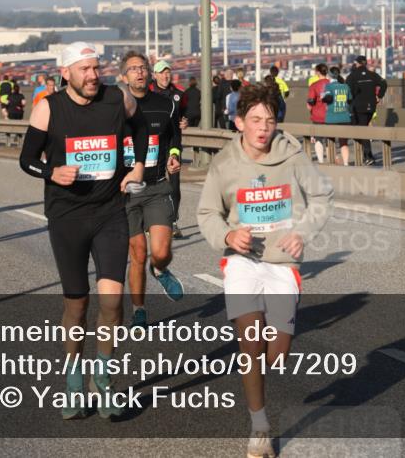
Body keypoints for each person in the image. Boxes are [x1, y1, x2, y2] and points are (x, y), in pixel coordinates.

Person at [197, 84, 333, 458]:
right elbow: (207, 213)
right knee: (250, 339)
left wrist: (301, 233)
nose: (262, 128)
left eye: (269, 121)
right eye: (255, 120)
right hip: (241, 261)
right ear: (239, 122)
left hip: (282, 263)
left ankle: (259, 376)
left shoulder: (292, 156)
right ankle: (260, 428)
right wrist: (227, 234)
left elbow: (321, 195)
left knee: (278, 351)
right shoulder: (224, 163)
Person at [18, 42, 147, 420]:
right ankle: (74, 376)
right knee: (77, 304)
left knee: (112, 303)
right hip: (67, 217)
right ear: (66, 73)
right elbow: (26, 159)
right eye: (85, 70)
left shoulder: (116, 99)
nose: (93, 76)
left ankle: (102, 379)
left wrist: (137, 166)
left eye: (96, 68)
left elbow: (142, 128)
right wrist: (50, 172)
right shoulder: (49, 107)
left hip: (110, 212)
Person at [119, 51, 184, 330]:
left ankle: (159, 269)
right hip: (126, 192)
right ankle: (139, 309)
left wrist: (173, 153)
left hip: (157, 186)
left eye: (143, 67)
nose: (140, 72)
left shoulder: (166, 104)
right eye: (133, 69)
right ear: (124, 76)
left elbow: (174, 135)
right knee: (137, 253)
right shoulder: (115, 107)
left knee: (161, 251)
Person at [150, 61, 187, 239]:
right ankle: (151, 220)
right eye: (161, 73)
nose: (165, 76)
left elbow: (186, 115)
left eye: (168, 73)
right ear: (155, 75)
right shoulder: (148, 93)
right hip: (153, 144)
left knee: (174, 183)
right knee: (151, 181)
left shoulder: (179, 94)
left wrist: (186, 121)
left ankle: (172, 221)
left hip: (173, 143)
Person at [345, 55, 387, 166]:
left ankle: (368, 156)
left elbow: (348, 91)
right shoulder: (372, 75)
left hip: (358, 107)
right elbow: (384, 83)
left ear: (357, 63)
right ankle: (365, 155)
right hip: (371, 106)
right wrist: (379, 96)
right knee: (363, 127)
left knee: (361, 129)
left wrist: (350, 101)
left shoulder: (352, 76)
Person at [322, 64, 352, 166]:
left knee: (330, 142)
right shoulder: (346, 86)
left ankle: (333, 160)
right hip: (345, 117)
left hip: (331, 118)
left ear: (329, 76)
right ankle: (346, 163)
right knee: (344, 143)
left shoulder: (328, 86)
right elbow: (350, 99)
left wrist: (323, 98)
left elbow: (328, 98)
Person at [306, 64, 330, 163]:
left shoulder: (314, 85)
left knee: (318, 139)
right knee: (330, 139)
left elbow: (309, 104)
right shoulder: (332, 84)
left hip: (318, 116)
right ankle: (330, 160)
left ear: (318, 72)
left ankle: (321, 161)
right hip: (331, 116)